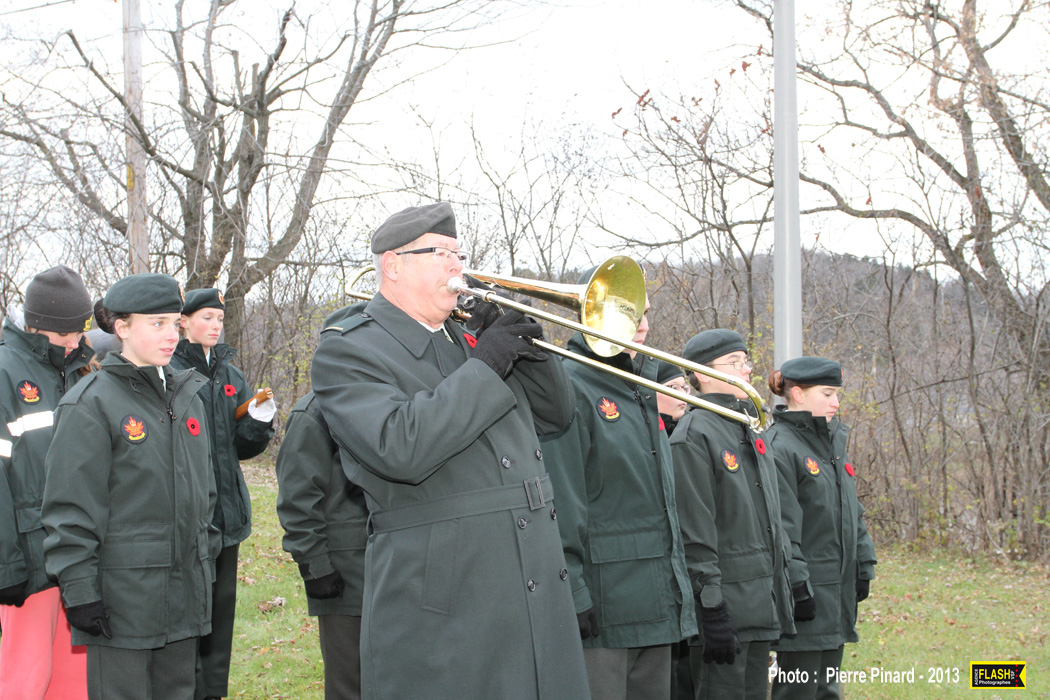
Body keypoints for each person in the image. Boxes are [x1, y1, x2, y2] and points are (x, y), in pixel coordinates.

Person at [310, 202, 589, 700]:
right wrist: (488, 364)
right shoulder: (349, 348)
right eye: (441, 253)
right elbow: (399, 447)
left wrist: (529, 348)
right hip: (447, 596)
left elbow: (556, 416)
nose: (458, 266)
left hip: (531, 579)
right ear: (393, 265)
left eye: (459, 254)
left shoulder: (469, 338)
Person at [41, 273, 219, 700]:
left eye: (175, 323)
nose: (171, 335)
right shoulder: (91, 403)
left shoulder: (187, 396)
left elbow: (205, 496)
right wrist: (80, 591)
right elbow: (69, 509)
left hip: (185, 595)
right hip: (122, 603)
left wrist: (204, 560)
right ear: (122, 327)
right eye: (156, 324)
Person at [540, 286, 696, 700]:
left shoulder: (640, 384)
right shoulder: (569, 383)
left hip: (654, 601)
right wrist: (573, 591)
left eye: (645, 313)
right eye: (631, 314)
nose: (644, 326)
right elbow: (561, 500)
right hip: (602, 607)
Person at [668, 329, 793, 700]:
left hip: (759, 605)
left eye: (746, 361)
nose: (746, 370)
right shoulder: (694, 435)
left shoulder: (746, 427)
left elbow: (769, 522)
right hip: (725, 611)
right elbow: (694, 532)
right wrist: (712, 606)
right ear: (702, 373)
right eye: (734, 362)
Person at [169, 288, 276, 700]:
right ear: (184, 322)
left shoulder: (231, 375)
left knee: (221, 613)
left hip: (228, 516)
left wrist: (259, 423)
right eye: (206, 318)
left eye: (219, 319)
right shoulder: (171, 371)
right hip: (192, 514)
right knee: (190, 612)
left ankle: (213, 692)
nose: (215, 326)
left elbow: (241, 448)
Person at [0, 265, 94, 700]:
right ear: (38, 325)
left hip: (76, 557)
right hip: (28, 559)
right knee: (25, 678)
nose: (75, 341)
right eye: (66, 333)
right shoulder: (5, 371)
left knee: (74, 681)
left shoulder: (79, 368)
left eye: (80, 331)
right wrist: (6, 566)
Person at [766, 357, 877, 700]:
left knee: (827, 689)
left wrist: (863, 562)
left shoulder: (830, 442)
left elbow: (851, 510)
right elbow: (781, 527)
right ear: (798, 394)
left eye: (837, 394)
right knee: (798, 690)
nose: (836, 403)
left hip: (836, 589)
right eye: (827, 394)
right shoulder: (779, 446)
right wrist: (798, 586)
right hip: (807, 593)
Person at [275, 386, 367, 700]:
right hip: (345, 576)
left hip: (396, 566)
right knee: (350, 682)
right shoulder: (315, 412)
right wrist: (316, 568)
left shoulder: (382, 396)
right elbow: (296, 498)